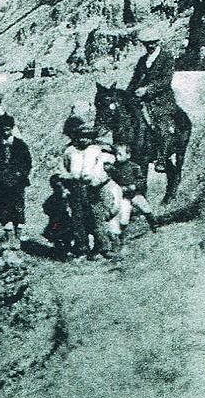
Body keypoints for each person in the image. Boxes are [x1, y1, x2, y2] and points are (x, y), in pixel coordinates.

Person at [126, 22, 190, 203]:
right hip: (143, 100)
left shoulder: (166, 57)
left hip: (162, 100)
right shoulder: (142, 60)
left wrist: (148, 89)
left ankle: (162, 157)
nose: (150, 46)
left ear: (158, 42)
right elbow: (135, 79)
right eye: (147, 43)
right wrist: (128, 93)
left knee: (162, 123)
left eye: (153, 42)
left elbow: (165, 80)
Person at [56, 115, 116, 259]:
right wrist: (67, 179)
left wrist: (100, 178)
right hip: (76, 188)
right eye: (81, 137)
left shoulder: (97, 150)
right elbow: (62, 169)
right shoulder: (70, 151)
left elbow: (108, 165)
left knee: (97, 218)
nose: (84, 140)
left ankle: (103, 247)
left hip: (94, 188)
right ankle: (81, 248)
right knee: (78, 219)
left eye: (87, 137)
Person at [0, 114, 31, 248]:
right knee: (3, 207)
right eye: (3, 129)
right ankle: (9, 237)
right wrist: (0, 176)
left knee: (18, 206)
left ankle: (19, 236)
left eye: (8, 129)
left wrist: (19, 174)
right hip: (1, 183)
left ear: (12, 129)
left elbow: (27, 163)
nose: (6, 132)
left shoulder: (20, 145)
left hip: (17, 182)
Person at [41, 175, 72, 254]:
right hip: (56, 219)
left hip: (65, 219)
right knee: (56, 233)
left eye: (60, 187)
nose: (58, 189)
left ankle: (65, 247)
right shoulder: (53, 198)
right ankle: (59, 248)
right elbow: (46, 207)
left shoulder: (68, 196)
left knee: (66, 233)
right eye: (56, 187)